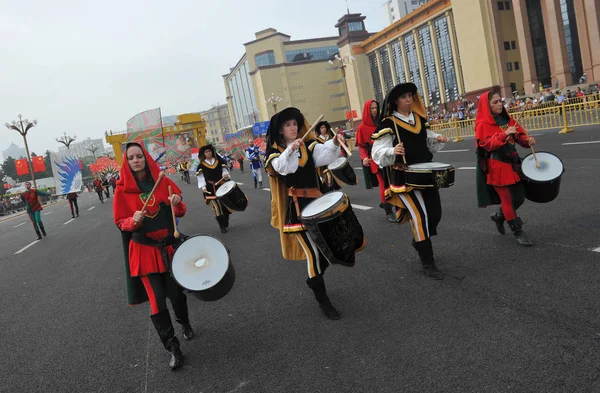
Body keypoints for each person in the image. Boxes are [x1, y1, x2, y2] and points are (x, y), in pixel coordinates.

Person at [113, 142, 193, 370]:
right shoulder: (121, 190)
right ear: (126, 162)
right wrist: (132, 221)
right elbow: (120, 222)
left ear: (146, 158)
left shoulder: (163, 181)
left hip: (168, 248)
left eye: (139, 156)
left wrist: (177, 203)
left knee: (176, 295)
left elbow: (180, 209)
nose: (136, 160)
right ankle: (172, 347)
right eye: (131, 158)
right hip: (143, 252)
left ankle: (185, 323)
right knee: (157, 299)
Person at [265, 107, 350, 320]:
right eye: (287, 125)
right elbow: (283, 168)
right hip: (296, 209)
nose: (293, 128)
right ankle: (324, 301)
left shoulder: (310, 144)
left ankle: (314, 280)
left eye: (295, 124)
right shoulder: (274, 151)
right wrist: (290, 150)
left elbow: (324, 157)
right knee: (313, 254)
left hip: (317, 201)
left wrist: (334, 142)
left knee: (326, 250)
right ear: (280, 130)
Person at [371, 82, 449, 280]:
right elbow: (377, 153)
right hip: (404, 177)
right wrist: (392, 151)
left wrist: (437, 138)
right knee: (419, 216)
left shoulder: (420, 120)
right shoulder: (388, 123)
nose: (408, 99)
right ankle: (428, 262)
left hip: (426, 174)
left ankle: (419, 240)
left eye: (410, 96)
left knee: (435, 214)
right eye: (404, 97)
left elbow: (426, 138)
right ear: (395, 101)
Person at [475, 90, 536, 246]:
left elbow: (519, 136)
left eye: (500, 101)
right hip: (497, 166)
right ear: (486, 106)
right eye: (495, 102)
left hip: (514, 164)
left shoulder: (508, 120)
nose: (499, 104)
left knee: (520, 198)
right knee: (507, 199)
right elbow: (487, 144)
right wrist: (503, 135)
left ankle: (499, 216)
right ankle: (518, 232)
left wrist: (527, 140)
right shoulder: (482, 124)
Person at [357, 99, 398, 223]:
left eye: (376, 108)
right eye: (372, 108)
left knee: (394, 181)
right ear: (367, 110)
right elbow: (362, 146)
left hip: (389, 154)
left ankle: (386, 202)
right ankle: (388, 211)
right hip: (375, 159)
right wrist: (364, 158)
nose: (374, 111)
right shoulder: (362, 127)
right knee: (383, 184)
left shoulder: (382, 122)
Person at [196, 144, 232, 233]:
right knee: (216, 207)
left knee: (225, 206)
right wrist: (203, 187)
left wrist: (226, 175)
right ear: (203, 154)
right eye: (206, 152)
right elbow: (200, 178)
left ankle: (225, 222)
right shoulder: (201, 166)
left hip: (222, 185)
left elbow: (225, 171)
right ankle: (221, 226)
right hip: (210, 188)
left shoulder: (219, 161)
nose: (209, 153)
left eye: (210, 151)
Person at [313, 120, 341, 193]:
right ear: (319, 130)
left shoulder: (331, 138)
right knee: (326, 176)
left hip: (332, 160)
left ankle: (332, 189)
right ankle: (327, 190)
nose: (323, 129)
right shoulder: (317, 140)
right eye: (321, 128)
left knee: (333, 176)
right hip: (323, 163)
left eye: (324, 127)